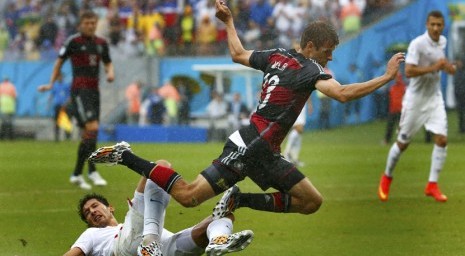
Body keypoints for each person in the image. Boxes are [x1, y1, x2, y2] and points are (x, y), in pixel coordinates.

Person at [89, 0, 404, 218]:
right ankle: (124, 155)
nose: (329, 58)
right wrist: (386, 77)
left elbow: (238, 54)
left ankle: (238, 198)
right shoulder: (309, 69)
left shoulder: (276, 55)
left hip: (264, 150)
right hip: (250, 145)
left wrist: (228, 22)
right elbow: (344, 94)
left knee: (311, 201)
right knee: (187, 196)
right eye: (327, 51)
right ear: (310, 47)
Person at [10, 159, 254, 256]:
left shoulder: (129, 219)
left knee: (221, 217)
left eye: (95, 206)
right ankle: (150, 245)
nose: (92, 212)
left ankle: (219, 240)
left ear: (110, 208)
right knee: (160, 166)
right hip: (126, 252)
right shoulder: (93, 234)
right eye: (87, 213)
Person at [378, 10, 456, 203]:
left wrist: (448, 67)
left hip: (434, 99)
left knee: (442, 140)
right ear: (427, 25)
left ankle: (432, 185)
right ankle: (387, 176)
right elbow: (410, 71)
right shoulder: (418, 44)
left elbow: (441, 64)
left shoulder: (443, 42)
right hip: (415, 100)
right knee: (403, 144)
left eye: (439, 25)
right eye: (433, 25)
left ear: (443, 26)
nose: (436, 28)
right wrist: (434, 67)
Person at [38, 10, 114, 190]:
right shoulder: (73, 42)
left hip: (95, 92)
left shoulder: (101, 44)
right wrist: (50, 84)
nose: (90, 26)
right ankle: (92, 171)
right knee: (92, 128)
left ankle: (78, 173)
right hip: (80, 91)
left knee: (89, 134)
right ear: (80, 25)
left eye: (93, 23)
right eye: (87, 23)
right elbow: (59, 62)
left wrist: (111, 72)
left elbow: (108, 62)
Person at [38, 71, 72, 142]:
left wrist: (66, 103)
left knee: (67, 121)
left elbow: (69, 96)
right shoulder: (55, 86)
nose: (60, 78)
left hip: (65, 106)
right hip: (57, 105)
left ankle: (68, 137)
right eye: (58, 77)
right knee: (57, 122)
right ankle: (57, 137)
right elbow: (51, 95)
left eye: (61, 76)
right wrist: (48, 103)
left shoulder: (66, 85)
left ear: (63, 77)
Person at [283, 102, 312, 167]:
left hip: (303, 104)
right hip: (296, 102)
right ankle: (287, 153)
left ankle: (294, 158)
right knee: (299, 129)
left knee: (299, 131)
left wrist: (310, 104)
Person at [382, 71, 405, 145]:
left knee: (402, 126)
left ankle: (402, 140)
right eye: (396, 78)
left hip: (401, 110)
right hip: (393, 110)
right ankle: (387, 140)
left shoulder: (403, 88)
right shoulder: (392, 88)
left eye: (398, 77)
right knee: (390, 126)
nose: (397, 79)